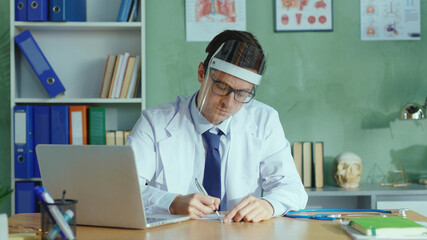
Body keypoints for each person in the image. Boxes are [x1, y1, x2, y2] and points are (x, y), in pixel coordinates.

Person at [126, 30, 307, 223]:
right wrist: (172, 202)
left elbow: (292, 189)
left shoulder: (265, 120)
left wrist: (269, 205)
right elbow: (124, 187)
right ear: (202, 73)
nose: (228, 103)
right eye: (221, 87)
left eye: (242, 93)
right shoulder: (155, 122)